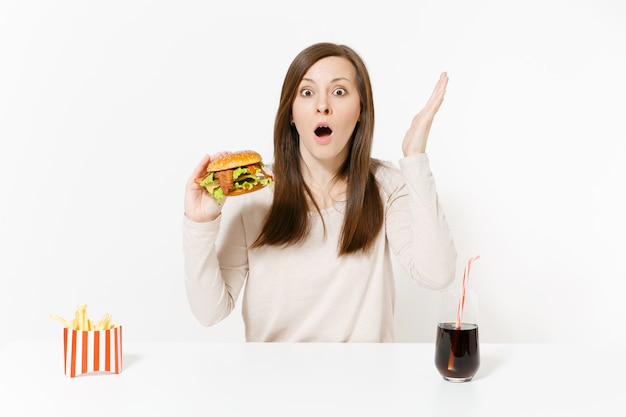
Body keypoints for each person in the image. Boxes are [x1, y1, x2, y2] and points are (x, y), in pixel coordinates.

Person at [183, 42, 457, 342]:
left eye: (339, 92)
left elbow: (437, 274)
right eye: (307, 92)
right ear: (291, 112)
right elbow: (210, 312)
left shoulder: (385, 185)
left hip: (366, 383)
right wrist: (199, 224)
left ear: (360, 111)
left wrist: (414, 155)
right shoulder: (254, 193)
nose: (322, 105)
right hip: (275, 383)